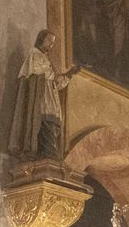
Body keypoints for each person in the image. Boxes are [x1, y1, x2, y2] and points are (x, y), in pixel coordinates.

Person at [7, 30, 80, 160]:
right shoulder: (34, 55)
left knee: (51, 135)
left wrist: (69, 74)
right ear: (41, 39)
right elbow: (41, 75)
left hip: (51, 104)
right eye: (49, 42)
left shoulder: (46, 59)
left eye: (52, 44)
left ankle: (50, 161)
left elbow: (56, 84)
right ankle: (49, 161)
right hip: (42, 105)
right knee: (47, 136)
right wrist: (58, 76)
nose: (50, 46)